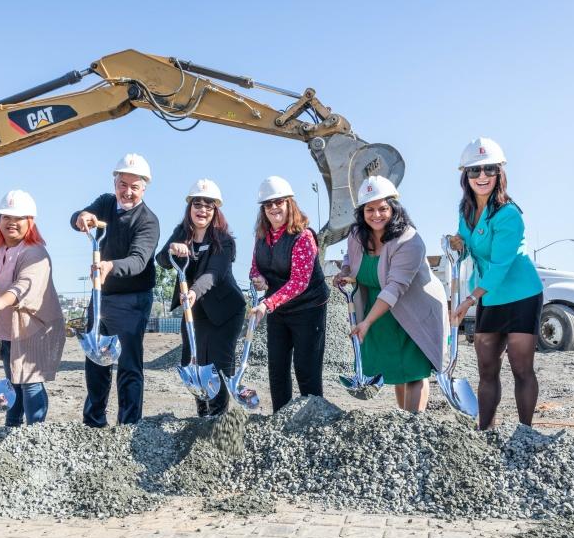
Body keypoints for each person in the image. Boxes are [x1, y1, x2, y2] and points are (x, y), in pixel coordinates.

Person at [449, 137, 543, 430]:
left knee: (520, 365)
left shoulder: (509, 214)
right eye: (475, 171)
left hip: (521, 295)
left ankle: (525, 431)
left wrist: (468, 300)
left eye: (489, 169)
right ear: (465, 175)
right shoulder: (465, 210)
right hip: (490, 298)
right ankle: (484, 429)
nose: (482, 176)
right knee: (487, 367)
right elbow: (471, 247)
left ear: (499, 172)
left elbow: (501, 264)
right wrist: (458, 243)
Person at [333, 176, 448, 412]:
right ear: (361, 212)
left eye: (383, 208)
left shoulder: (408, 240)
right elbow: (350, 259)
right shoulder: (356, 235)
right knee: (396, 371)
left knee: (414, 371)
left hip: (414, 310)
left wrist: (366, 323)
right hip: (380, 312)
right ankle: (403, 422)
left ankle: (414, 424)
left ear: (394, 208)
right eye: (370, 209)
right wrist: (345, 272)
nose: (376, 215)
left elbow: (395, 286)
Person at [70, 153, 160, 426]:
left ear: (144, 188)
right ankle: (94, 421)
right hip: (102, 296)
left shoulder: (148, 221)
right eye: (123, 184)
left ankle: (128, 425)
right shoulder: (106, 203)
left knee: (128, 365)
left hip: (132, 299)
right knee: (96, 360)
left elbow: (139, 260)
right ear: (115, 183)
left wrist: (110, 266)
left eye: (134, 186)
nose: (128, 191)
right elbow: (78, 217)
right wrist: (81, 217)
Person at [0, 190, 65, 426]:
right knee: (14, 379)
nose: (11, 223)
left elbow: (25, 284)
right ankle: (12, 426)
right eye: (6, 217)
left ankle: (36, 430)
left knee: (30, 380)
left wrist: (0, 301)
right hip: (9, 326)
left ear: (29, 222)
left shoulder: (35, 252)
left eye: (18, 218)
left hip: (35, 326)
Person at [156, 179, 246, 417]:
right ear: (190, 207)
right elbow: (162, 261)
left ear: (215, 210)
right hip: (194, 311)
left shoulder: (224, 241)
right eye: (198, 204)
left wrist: (194, 291)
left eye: (209, 205)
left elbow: (213, 273)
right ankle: (202, 412)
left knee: (217, 362)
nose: (203, 210)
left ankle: (218, 417)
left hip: (226, 311)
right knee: (193, 361)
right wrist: (172, 249)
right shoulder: (181, 233)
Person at [249, 176, 329, 413]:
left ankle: (313, 419)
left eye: (278, 202)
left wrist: (267, 304)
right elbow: (255, 266)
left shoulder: (303, 237)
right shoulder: (262, 237)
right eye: (268, 204)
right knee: (277, 367)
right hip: (279, 310)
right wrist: (258, 278)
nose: (274, 208)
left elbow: (299, 282)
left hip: (308, 308)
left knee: (306, 368)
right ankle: (280, 418)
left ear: (289, 203)